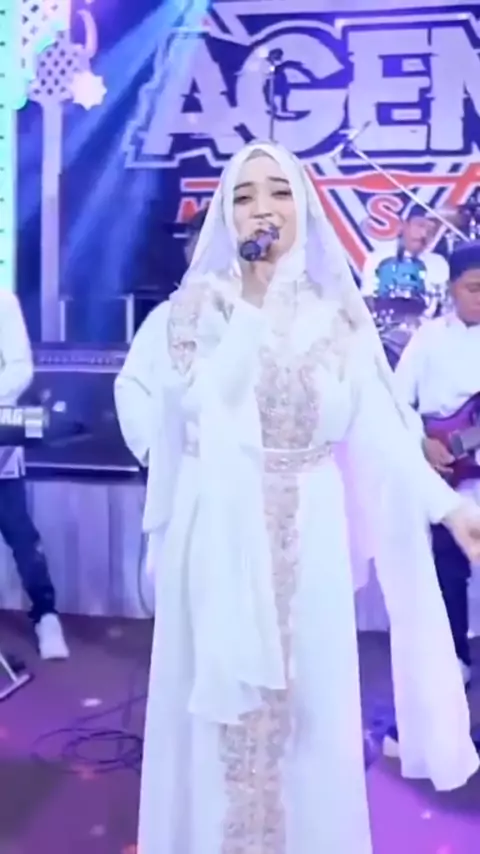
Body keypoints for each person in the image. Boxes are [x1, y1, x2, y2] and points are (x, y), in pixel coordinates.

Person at [115, 142, 480, 854]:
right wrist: (250, 307)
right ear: (227, 214)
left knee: (307, 714)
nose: (263, 209)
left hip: (308, 539)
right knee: (218, 721)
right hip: (218, 538)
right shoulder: (193, 312)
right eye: (245, 195)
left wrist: (448, 507)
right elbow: (197, 403)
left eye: (279, 192)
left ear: (305, 208)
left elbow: (380, 434)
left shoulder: (337, 321)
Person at [394, 241, 480, 688]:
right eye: (473, 288)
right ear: (451, 290)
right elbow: (395, 402)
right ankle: (455, 659)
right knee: (448, 569)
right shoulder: (428, 338)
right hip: (445, 476)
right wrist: (423, 443)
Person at [0, 290, 68, 660]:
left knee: (19, 531)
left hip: (0, 432)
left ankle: (45, 614)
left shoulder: (3, 302)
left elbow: (21, 367)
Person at [361, 204, 449, 309]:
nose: (424, 234)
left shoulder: (439, 263)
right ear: (404, 225)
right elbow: (367, 298)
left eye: (430, 231)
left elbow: (443, 304)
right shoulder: (378, 258)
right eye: (420, 226)